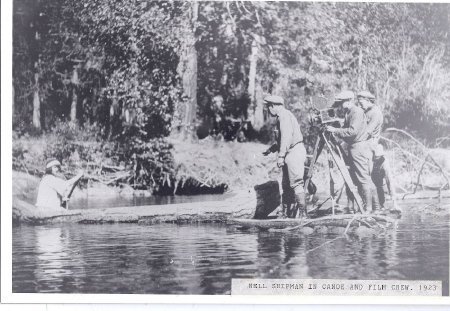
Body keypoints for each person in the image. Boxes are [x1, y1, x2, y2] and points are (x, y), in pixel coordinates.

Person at [325, 90, 380, 213]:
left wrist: (335, 130)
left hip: (359, 148)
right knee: (365, 178)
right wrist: (337, 126)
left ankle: (369, 209)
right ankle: (375, 208)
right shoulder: (349, 112)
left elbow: (352, 131)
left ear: (349, 101)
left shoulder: (356, 111)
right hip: (355, 147)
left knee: (363, 179)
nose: (339, 105)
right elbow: (348, 130)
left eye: (341, 102)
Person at [262, 95, 307, 218]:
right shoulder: (282, 117)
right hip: (290, 152)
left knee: (296, 183)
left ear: (273, 106)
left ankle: (303, 215)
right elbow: (283, 140)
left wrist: (281, 156)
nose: (268, 110)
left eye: (269, 107)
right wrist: (272, 149)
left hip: (294, 152)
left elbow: (287, 138)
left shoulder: (284, 116)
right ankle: (287, 214)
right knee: (286, 185)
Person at [372, 144, 399, 211]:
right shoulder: (369, 159)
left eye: (378, 157)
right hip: (370, 179)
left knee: (380, 187)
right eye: (375, 157)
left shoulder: (385, 162)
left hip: (379, 179)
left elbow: (389, 181)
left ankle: (382, 205)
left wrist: (394, 202)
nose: (376, 158)